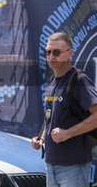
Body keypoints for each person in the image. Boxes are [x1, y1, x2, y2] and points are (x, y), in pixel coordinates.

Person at [31, 32, 97, 187]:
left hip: (73, 166)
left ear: (70, 54)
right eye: (48, 52)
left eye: (56, 52)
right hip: (51, 163)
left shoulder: (79, 80)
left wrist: (67, 133)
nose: (51, 56)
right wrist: (41, 138)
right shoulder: (52, 81)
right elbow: (52, 116)